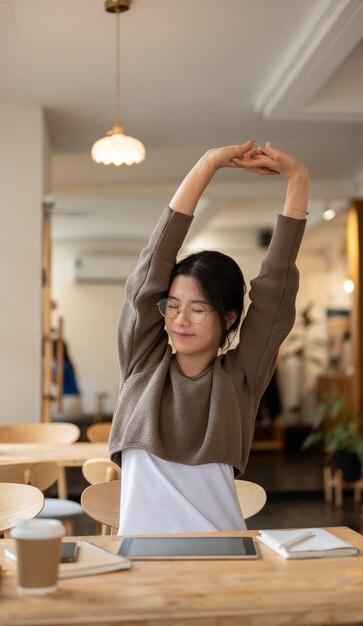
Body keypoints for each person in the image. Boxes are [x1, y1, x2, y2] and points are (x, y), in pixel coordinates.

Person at [109, 140, 309, 534]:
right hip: (141, 564)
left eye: (198, 308)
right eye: (174, 304)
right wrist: (207, 164)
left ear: (229, 317)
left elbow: (274, 292)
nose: (180, 319)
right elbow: (149, 272)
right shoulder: (141, 364)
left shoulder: (241, 380)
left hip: (223, 557)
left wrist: (298, 178)